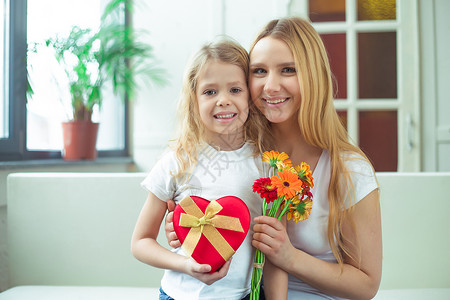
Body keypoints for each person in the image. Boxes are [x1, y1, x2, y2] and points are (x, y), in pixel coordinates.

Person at [166, 17, 382, 300]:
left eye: (288, 70)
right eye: (259, 71)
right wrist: (189, 229)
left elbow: (367, 285)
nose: (270, 85)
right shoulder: (241, 154)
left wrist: (290, 257)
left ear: (313, 76)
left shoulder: (349, 169)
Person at [131, 39, 271, 300]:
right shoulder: (176, 161)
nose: (223, 101)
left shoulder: (264, 163)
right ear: (193, 100)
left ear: (250, 97)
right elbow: (140, 242)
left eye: (235, 90)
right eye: (210, 92)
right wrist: (186, 265)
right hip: (178, 295)